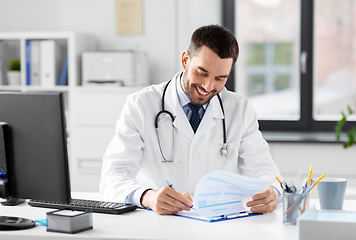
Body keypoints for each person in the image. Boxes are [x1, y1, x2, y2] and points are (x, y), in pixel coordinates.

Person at [100, 25, 282, 215]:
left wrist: (272, 193)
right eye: (202, 73)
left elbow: (266, 173)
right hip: (157, 223)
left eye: (220, 78)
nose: (207, 86)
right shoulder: (141, 105)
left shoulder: (240, 110)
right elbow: (113, 175)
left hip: (218, 223)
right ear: (185, 60)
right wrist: (148, 196)